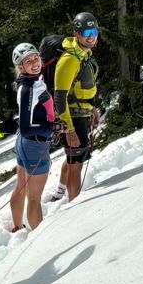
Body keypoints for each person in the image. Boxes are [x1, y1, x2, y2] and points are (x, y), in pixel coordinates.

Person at [52, 12, 101, 204]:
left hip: (81, 113)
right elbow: (60, 98)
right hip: (72, 119)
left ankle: (62, 193)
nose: (91, 36)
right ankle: (75, 207)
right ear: (76, 33)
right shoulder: (70, 59)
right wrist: (69, 129)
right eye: (86, 31)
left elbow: (81, 89)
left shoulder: (84, 54)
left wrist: (91, 108)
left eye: (94, 31)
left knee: (75, 160)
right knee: (75, 164)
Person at [7, 43, 56, 231]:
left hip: (25, 143)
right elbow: (28, 127)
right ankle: (38, 241)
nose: (35, 63)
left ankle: (17, 227)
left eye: (36, 58)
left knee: (21, 186)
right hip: (33, 144)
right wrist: (52, 127)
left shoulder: (32, 81)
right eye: (28, 61)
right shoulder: (28, 88)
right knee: (34, 197)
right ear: (21, 67)